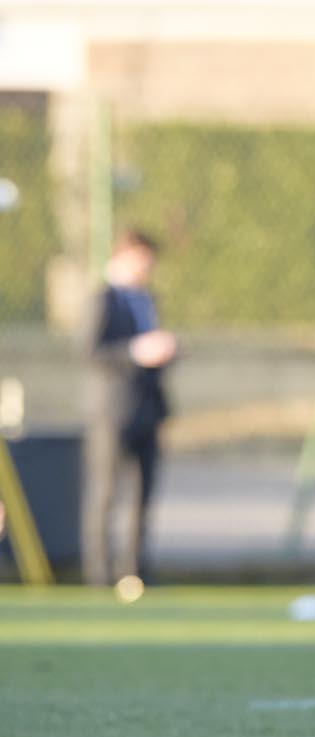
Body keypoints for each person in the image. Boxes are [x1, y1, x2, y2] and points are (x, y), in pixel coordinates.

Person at [81, 230, 175, 587]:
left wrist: (165, 351)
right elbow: (90, 350)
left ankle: (134, 572)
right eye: (142, 260)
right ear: (124, 256)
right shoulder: (102, 299)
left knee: (142, 496)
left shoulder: (147, 299)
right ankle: (99, 575)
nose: (146, 269)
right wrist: (136, 352)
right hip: (111, 412)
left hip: (147, 410)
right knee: (104, 493)